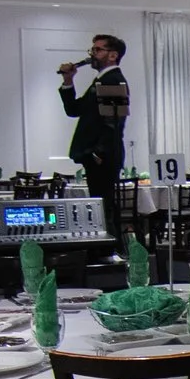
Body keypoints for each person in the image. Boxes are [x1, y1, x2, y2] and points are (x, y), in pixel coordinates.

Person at [59, 34, 131, 252]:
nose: (93, 54)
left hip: (103, 156)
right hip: (97, 154)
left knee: (104, 205)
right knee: (100, 204)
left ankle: (110, 251)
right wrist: (68, 81)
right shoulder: (100, 81)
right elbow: (74, 110)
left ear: (113, 55)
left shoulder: (113, 80)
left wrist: (97, 153)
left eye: (98, 50)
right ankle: (107, 250)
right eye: (92, 50)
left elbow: (113, 123)